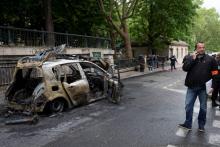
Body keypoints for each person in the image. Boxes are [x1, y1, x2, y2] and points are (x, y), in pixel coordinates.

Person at [179, 42, 218, 132]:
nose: (202, 49)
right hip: (191, 87)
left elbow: (215, 73)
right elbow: (185, 68)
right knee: (188, 106)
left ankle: (201, 125)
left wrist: (213, 86)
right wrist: (192, 59)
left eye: (203, 47)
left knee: (203, 108)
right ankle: (188, 124)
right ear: (196, 48)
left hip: (203, 88)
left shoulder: (211, 59)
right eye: (200, 47)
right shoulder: (190, 57)